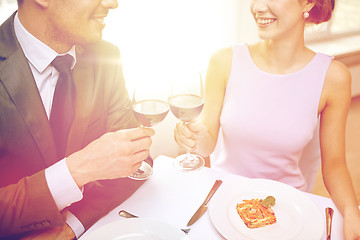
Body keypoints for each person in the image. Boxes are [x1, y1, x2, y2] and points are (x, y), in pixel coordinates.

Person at [174, 0, 360, 239]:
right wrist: (192, 138)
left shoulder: (334, 77)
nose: (258, 7)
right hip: (221, 201)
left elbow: (334, 164)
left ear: (309, 3)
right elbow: (207, 143)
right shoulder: (224, 61)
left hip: (287, 211)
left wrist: (352, 212)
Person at [0, 0, 155, 239]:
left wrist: (72, 225)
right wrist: (78, 169)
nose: (112, 3)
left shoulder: (106, 57)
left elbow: (136, 160)